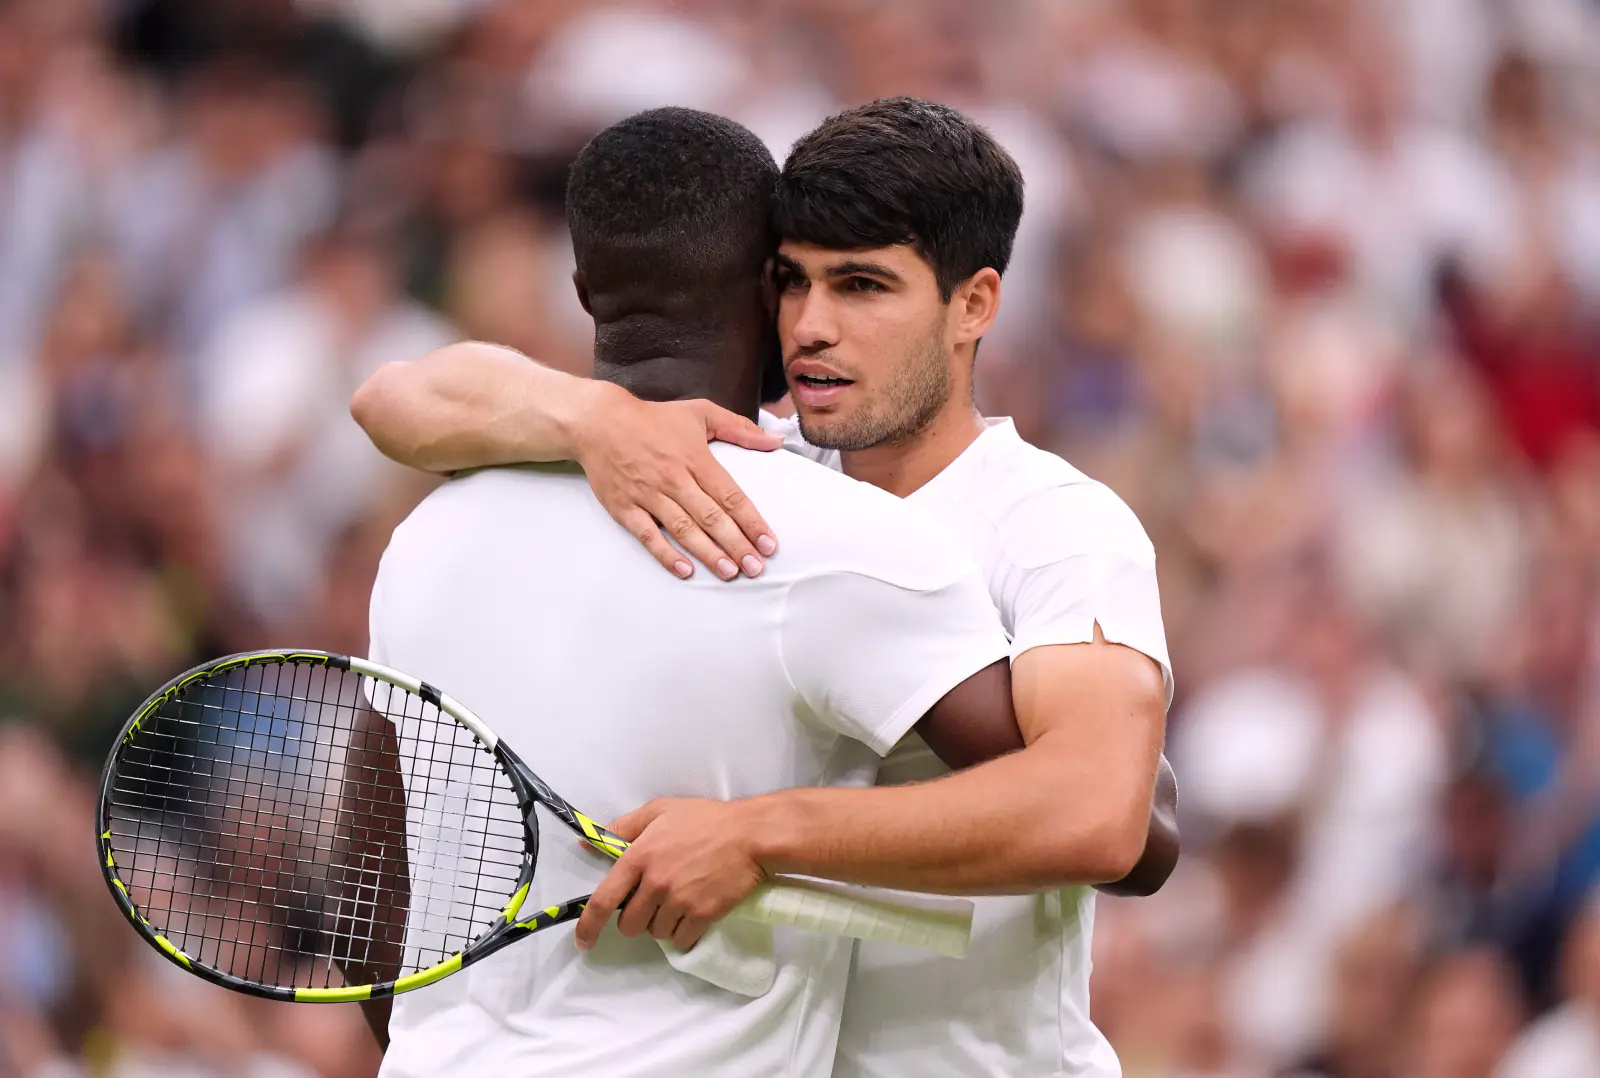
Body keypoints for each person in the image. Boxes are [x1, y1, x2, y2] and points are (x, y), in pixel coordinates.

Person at [353, 97, 1177, 1078]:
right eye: (793, 283)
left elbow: (1104, 817)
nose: (814, 327)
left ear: (975, 305)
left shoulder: (1055, 526)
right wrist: (590, 418)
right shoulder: (727, 473)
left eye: (864, 287)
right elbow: (393, 397)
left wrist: (756, 835)